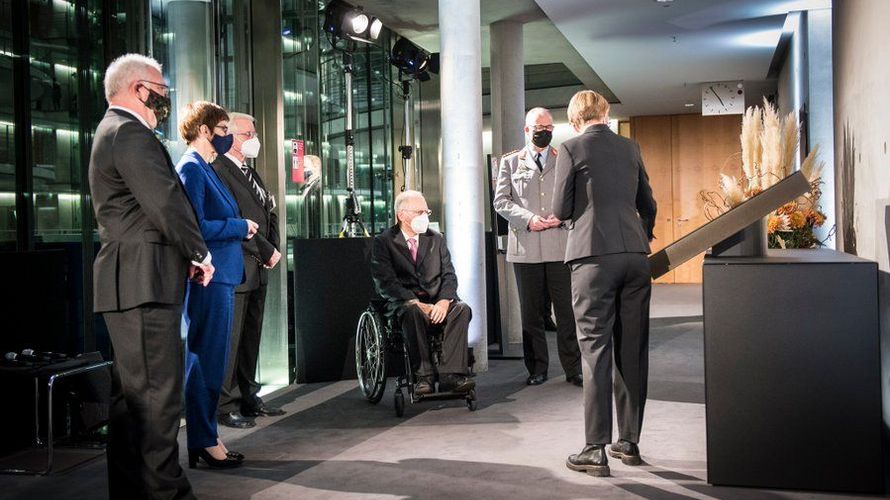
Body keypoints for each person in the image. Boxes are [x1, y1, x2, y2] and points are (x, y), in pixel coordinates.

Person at [89, 53, 213, 499]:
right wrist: (198, 253)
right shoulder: (128, 132)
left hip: (129, 283)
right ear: (137, 88)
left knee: (134, 405)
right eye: (160, 91)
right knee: (159, 401)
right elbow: (165, 203)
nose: (164, 100)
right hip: (143, 282)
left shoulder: (111, 132)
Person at [552, 90, 657, 477]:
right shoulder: (631, 148)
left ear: (576, 118)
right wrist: (636, 234)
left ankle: (594, 449)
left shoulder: (571, 148)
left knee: (595, 351)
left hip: (592, 259)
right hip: (635, 256)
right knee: (632, 348)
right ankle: (628, 443)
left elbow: (561, 209)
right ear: (605, 113)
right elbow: (649, 204)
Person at [175, 101, 258, 469]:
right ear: (205, 130)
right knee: (205, 362)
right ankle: (204, 440)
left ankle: (206, 438)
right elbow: (194, 227)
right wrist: (239, 227)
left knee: (211, 361)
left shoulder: (206, 168)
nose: (229, 136)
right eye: (224, 129)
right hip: (209, 278)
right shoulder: (192, 168)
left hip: (221, 276)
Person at [494, 107, 582, 387]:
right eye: (538, 127)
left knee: (567, 312)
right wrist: (529, 218)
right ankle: (537, 369)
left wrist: (562, 215)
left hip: (559, 246)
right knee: (531, 315)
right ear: (526, 129)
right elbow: (501, 202)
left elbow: (576, 196)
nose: (544, 131)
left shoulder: (564, 158)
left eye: (548, 127)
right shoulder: (510, 163)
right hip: (526, 248)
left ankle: (573, 368)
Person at [212, 112, 285, 429]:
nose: (254, 138)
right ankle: (224, 405)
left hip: (259, 266)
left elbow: (268, 213)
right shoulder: (219, 171)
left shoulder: (251, 172)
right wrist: (265, 251)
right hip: (238, 265)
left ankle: (248, 396)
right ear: (229, 135)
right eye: (247, 133)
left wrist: (274, 248)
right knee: (231, 340)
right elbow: (235, 221)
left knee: (251, 338)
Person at [370, 190, 475, 395]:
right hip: (405, 303)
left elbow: (449, 275)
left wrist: (444, 301)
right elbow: (385, 282)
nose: (425, 216)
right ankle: (423, 377)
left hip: (437, 300)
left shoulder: (435, 238)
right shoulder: (384, 241)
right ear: (402, 215)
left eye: (426, 211)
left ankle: (451, 376)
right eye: (420, 212)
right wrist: (414, 302)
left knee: (461, 309)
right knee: (413, 313)